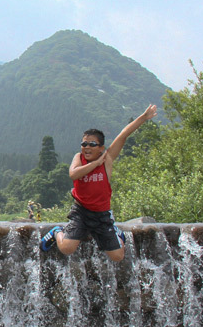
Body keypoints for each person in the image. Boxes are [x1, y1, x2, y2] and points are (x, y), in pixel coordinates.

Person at [39, 105, 157, 261]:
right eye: (84, 144)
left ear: (101, 148)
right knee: (67, 248)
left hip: (102, 215)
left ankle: (116, 233)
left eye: (92, 144)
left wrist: (143, 117)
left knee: (117, 256)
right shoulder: (78, 159)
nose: (87, 147)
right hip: (81, 213)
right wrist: (94, 164)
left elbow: (123, 135)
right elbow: (73, 174)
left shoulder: (107, 160)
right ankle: (56, 232)